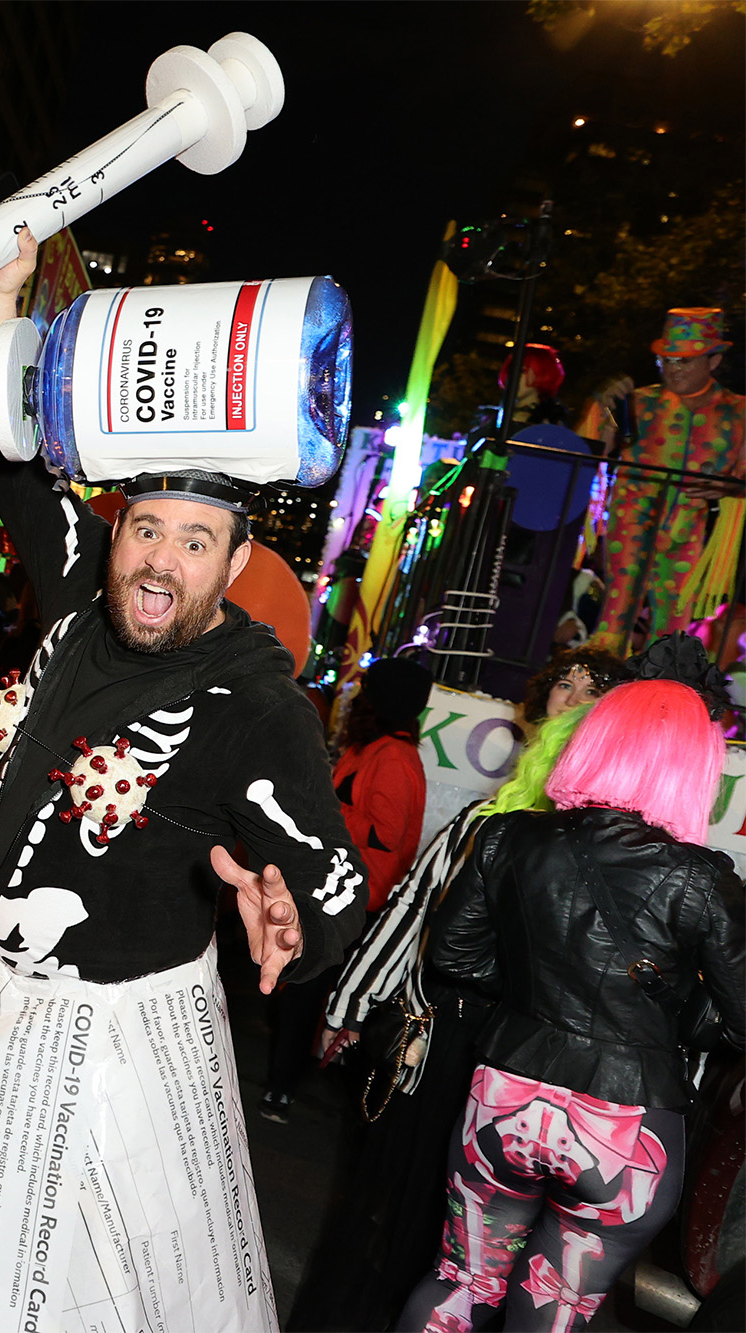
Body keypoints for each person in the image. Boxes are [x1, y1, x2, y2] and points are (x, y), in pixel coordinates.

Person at [0, 229, 366, 1332]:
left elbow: (328, 884)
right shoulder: (85, 600)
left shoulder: (255, 703)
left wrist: (295, 925)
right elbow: (12, 469)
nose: (158, 561)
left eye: (193, 542)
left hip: (112, 1041)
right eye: (145, 528)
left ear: (232, 568)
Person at [396, 678, 746, 1331]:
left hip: (507, 1092)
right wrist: (673, 1006)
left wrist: (539, 989)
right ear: (692, 768)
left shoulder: (509, 837)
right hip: (626, 1126)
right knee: (556, 1305)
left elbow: (453, 957)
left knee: (462, 1281)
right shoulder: (701, 878)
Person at [294, 680, 616, 1330]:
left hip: (528, 1072)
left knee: (471, 1239)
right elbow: (413, 911)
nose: (573, 696)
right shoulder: (485, 821)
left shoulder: (599, 853)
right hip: (450, 1043)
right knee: (407, 1210)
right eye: (566, 681)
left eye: (593, 689)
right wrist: (351, 1004)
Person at [260, 655, 432, 1122]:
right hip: (340, 890)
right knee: (301, 991)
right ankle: (285, 1083)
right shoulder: (375, 747)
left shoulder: (394, 757)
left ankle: (281, 1089)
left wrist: (325, 808)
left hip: (355, 899)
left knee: (303, 992)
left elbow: (386, 834)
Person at [579, 308, 744, 648]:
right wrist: (598, 408)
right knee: (617, 610)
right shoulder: (639, 402)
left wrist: (730, 487)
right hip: (631, 522)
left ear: (713, 361)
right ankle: (597, 688)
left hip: (692, 528)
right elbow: (591, 453)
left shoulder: (738, 411)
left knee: (672, 624)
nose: (672, 368)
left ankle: (662, 696)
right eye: (665, 360)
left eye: (684, 361)